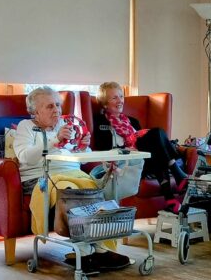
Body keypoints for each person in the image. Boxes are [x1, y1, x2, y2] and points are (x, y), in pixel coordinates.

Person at [15, 86, 132, 273]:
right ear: (35, 112)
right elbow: (24, 157)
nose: (57, 110)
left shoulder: (65, 126)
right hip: (42, 176)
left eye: (58, 105)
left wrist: (83, 147)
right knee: (70, 190)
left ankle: (101, 248)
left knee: (93, 188)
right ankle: (84, 252)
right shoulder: (26, 127)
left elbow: (77, 153)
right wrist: (54, 141)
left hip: (73, 173)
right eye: (50, 106)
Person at [92, 82, 188, 213]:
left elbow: (147, 142)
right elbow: (102, 147)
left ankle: (171, 199)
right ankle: (176, 174)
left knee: (157, 137)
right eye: (114, 98)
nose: (120, 101)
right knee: (156, 136)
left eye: (121, 96)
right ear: (104, 103)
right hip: (125, 164)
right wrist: (126, 149)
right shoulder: (100, 122)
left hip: (144, 160)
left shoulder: (133, 121)